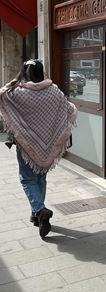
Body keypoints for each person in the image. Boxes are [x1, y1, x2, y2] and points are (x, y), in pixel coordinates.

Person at [0, 59, 76, 237]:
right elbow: (70, 110)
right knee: (40, 178)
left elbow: (1, 94)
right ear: (42, 72)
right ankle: (36, 214)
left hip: (27, 145)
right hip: (48, 145)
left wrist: (13, 81)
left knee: (27, 179)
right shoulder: (54, 91)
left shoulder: (17, 93)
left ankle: (40, 210)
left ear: (25, 73)